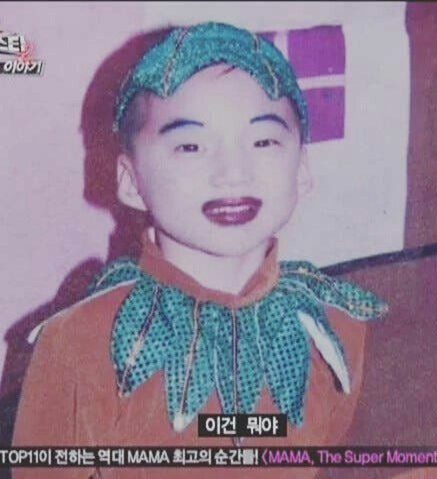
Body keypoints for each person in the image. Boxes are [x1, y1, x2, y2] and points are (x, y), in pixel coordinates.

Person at [12, 22, 387, 479]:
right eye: (191, 146)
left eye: (263, 141)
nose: (233, 172)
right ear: (130, 182)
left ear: (302, 168)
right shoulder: (82, 341)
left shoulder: (334, 329)